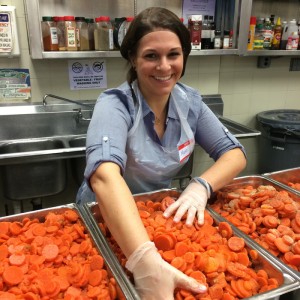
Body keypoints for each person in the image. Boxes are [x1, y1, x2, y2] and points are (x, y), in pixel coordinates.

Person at [76, 6, 247, 299]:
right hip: (106, 219)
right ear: (133, 58)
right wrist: (145, 260)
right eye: (151, 56)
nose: (164, 66)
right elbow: (104, 176)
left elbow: (234, 153)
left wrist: (200, 187)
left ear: (184, 57)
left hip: (158, 215)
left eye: (173, 55)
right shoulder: (115, 105)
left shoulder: (189, 102)